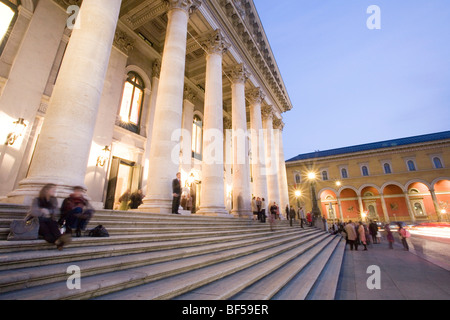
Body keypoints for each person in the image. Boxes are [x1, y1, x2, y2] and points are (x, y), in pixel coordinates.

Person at [30, 184, 72, 251]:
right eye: (53, 190)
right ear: (46, 190)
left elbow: (56, 211)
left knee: (54, 225)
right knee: (45, 229)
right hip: (38, 220)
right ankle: (59, 242)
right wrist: (43, 212)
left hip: (49, 220)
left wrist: (46, 211)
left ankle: (59, 240)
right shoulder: (37, 200)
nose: (54, 191)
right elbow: (33, 212)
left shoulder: (53, 200)